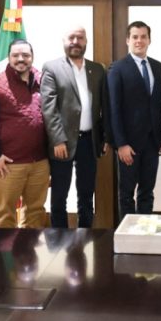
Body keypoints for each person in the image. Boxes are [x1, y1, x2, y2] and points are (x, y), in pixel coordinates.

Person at [41, 26, 108, 228]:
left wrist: (104, 137)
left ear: (86, 41)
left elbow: (104, 105)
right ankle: (59, 237)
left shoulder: (97, 69)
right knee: (59, 196)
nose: (75, 42)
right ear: (64, 41)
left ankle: (85, 235)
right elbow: (49, 108)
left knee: (86, 194)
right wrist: (58, 140)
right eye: (71, 37)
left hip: (89, 141)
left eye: (80, 38)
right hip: (63, 142)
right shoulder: (52, 68)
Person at [0, 39, 49, 228]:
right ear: (8, 58)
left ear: (32, 57)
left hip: (39, 163)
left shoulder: (43, 80)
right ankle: (4, 250)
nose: (21, 59)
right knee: (4, 214)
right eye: (15, 55)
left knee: (36, 212)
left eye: (25, 55)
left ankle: (30, 249)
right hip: (6, 164)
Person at [107, 21, 161, 222]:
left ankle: (145, 230)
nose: (139, 41)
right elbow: (113, 109)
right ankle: (127, 234)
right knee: (126, 194)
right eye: (135, 37)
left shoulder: (157, 67)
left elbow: (159, 104)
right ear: (127, 40)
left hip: (152, 141)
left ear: (149, 40)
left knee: (147, 191)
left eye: (143, 37)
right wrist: (121, 144)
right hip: (128, 144)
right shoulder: (117, 68)